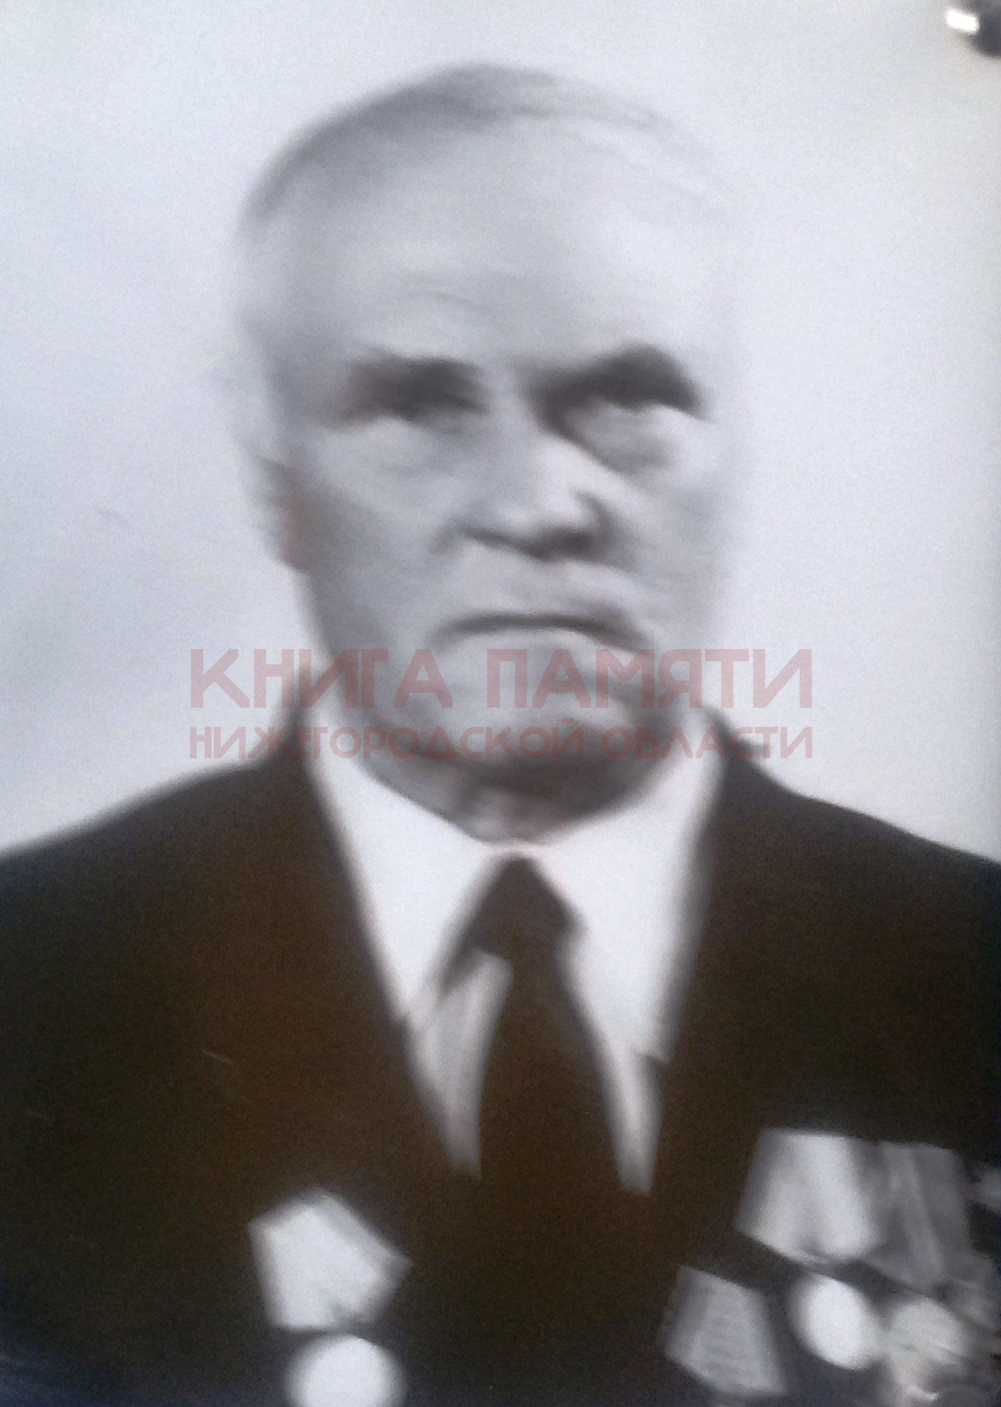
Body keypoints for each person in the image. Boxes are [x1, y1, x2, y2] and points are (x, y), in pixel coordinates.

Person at [0, 64, 997, 1407]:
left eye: (628, 398)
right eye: (421, 405)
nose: (537, 503)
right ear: (273, 474)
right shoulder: (34, 994)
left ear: (740, 449)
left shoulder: (967, 973)